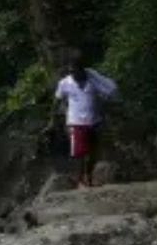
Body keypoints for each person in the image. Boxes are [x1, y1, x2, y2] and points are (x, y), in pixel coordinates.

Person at [51, 57, 118, 188]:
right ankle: (80, 179)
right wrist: (52, 121)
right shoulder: (65, 83)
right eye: (71, 71)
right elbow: (57, 101)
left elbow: (109, 93)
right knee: (80, 154)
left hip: (94, 121)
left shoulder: (94, 81)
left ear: (82, 70)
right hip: (76, 122)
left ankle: (88, 175)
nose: (73, 73)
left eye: (75, 71)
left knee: (93, 153)